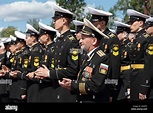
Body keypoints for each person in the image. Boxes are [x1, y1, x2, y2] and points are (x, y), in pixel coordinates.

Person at [35, 4, 80, 102]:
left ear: (64, 21)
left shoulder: (71, 41)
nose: (54, 22)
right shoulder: (59, 41)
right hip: (56, 88)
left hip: (66, 90)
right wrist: (45, 72)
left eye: (56, 19)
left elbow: (73, 69)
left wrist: (49, 73)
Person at [59, 18, 110, 103]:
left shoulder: (102, 58)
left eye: (83, 38)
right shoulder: (89, 57)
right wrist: (71, 84)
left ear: (94, 41)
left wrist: (73, 85)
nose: (80, 41)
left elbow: (96, 86)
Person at [87, 7, 121, 102]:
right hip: (95, 82)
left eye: (94, 22)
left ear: (102, 23)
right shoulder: (98, 37)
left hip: (106, 84)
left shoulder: (111, 39)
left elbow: (115, 65)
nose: (92, 24)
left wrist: (112, 89)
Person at [126, 9, 150, 102]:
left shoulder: (147, 39)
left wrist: (145, 87)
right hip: (134, 77)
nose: (130, 25)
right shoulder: (136, 39)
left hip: (141, 77)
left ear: (140, 23)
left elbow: (149, 65)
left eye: (132, 22)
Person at [37, 22, 57, 102]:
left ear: (47, 36)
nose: (39, 38)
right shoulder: (47, 49)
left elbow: (53, 68)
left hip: (49, 86)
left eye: (41, 35)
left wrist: (43, 75)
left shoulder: (53, 49)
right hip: (43, 85)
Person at [114, 21, 131, 102]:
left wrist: (129, 85)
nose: (116, 35)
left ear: (124, 33)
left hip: (126, 76)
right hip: (120, 76)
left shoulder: (130, 46)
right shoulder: (119, 46)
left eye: (118, 33)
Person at [139, 17, 153, 103]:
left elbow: (150, 64)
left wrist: (145, 86)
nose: (146, 29)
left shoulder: (151, 41)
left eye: (148, 27)